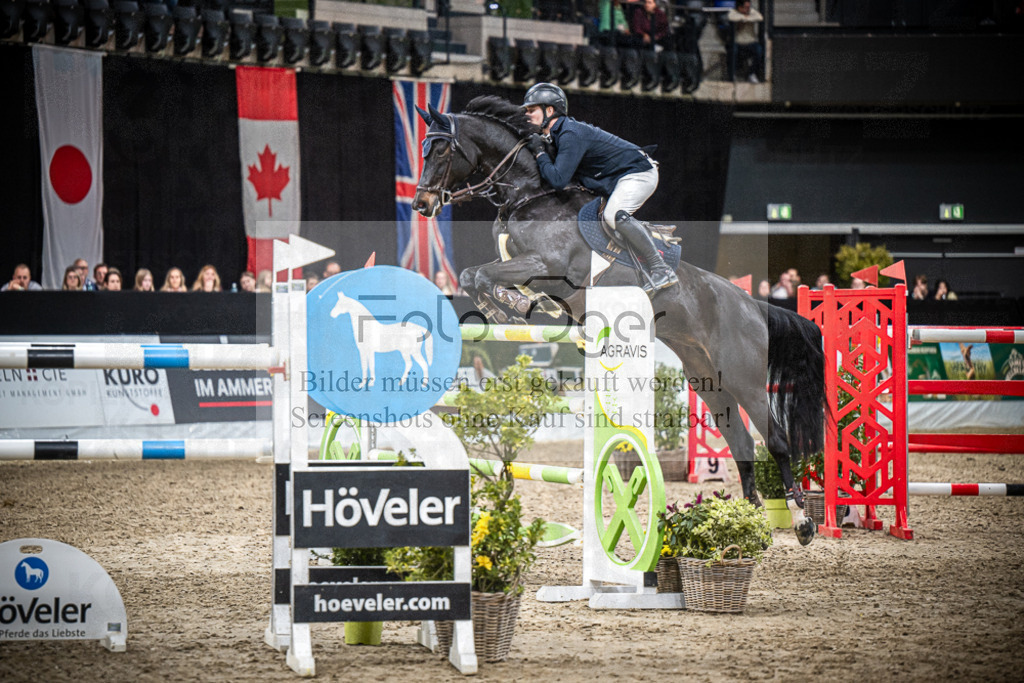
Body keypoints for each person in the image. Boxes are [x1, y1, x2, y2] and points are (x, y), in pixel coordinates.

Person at [523, 83, 678, 291]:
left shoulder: (570, 134)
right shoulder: (559, 135)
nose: (527, 115)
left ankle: (661, 269)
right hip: (619, 178)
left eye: (531, 110)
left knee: (613, 215)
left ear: (549, 110)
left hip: (639, 173)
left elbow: (558, 180)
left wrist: (540, 153)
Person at [727, 0, 764, 83]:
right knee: (733, 51)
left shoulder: (752, 12)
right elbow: (731, 17)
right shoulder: (733, 12)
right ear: (740, 7)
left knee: (759, 50)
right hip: (738, 43)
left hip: (750, 42)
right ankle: (732, 75)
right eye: (745, 8)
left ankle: (751, 73)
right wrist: (744, 18)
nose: (747, 10)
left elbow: (759, 17)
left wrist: (747, 18)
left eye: (748, 7)